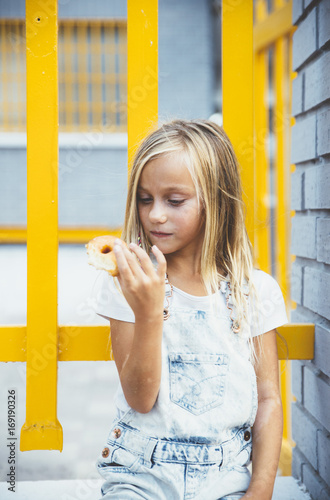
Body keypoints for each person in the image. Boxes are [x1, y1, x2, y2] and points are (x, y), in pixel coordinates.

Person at [94, 119, 288, 500]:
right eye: (145, 199)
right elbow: (139, 397)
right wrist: (149, 312)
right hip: (140, 475)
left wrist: (261, 490)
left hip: (226, 478)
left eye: (175, 201)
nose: (155, 215)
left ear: (216, 199)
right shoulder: (126, 281)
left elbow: (268, 399)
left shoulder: (255, 291)